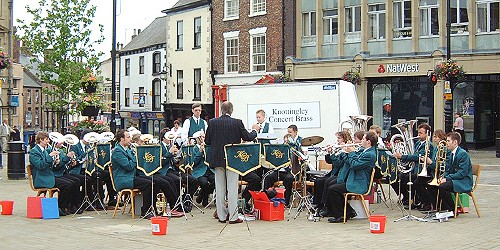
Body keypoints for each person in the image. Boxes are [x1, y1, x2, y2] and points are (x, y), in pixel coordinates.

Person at [205, 101, 259, 224]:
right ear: (231, 110)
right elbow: (248, 137)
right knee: (232, 188)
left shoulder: (212, 122)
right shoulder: (237, 122)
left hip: (217, 159)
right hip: (232, 160)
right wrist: (254, 130)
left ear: (221, 110)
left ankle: (222, 216)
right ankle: (233, 217)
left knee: (219, 188)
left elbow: (208, 141)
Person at [325, 131, 377, 223]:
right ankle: (348, 212)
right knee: (332, 186)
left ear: (368, 142)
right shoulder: (365, 151)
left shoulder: (370, 154)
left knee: (333, 189)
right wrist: (347, 151)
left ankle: (341, 215)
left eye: (363, 139)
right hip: (354, 179)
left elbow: (354, 165)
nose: (361, 141)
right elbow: (354, 160)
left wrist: (351, 152)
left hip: (359, 183)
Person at [29, 131, 77, 216]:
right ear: (40, 140)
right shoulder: (34, 151)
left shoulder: (45, 150)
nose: (48, 141)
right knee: (67, 184)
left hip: (49, 175)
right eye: (46, 139)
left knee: (72, 183)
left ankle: (64, 206)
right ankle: (59, 207)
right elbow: (40, 166)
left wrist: (56, 161)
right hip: (42, 178)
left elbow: (51, 166)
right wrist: (50, 156)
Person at [112, 129, 157, 218]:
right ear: (122, 139)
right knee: (148, 184)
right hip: (124, 179)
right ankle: (145, 211)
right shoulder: (117, 151)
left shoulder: (127, 149)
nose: (130, 140)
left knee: (154, 181)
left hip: (131, 176)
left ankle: (153, 208)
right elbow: (129, 166)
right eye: (128, 137)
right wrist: (136, 156)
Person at [393, 123, 434, 208]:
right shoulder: (418, 143)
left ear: (427, 134)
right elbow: (411, 153)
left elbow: (418, 156)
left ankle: (422, 201)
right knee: (397, 177)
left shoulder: (429, 145)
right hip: (414, 169)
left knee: (410, 179)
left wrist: (402, 156)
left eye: (421, 133)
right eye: (418, 132)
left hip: (422, 170)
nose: (418, 135)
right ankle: (407, 197)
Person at [263, 124, 301, 207]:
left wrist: (290, 144)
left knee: (289, 179)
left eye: (290, 132)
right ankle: (267, 199)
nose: (289, 134)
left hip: (291, 170)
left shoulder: (300, 141)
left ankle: (286, 202)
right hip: (281, 169)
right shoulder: (285, 141)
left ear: (295, 132)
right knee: (269, 178)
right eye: (288, 132)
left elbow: (299, 150)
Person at [313, 131, 351, 212]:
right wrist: (329, 153)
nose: (337, 140)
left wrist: (341, 151)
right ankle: (318, 204)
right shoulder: (338, 148)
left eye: (339, 138)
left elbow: (339, 164)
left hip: (340, 173)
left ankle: (326, 205)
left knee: (327, 182)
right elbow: (330, 162)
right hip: (334, 172)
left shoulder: (346, 150)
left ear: (345, 139)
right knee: (318, 181)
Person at [437, 132, 473, 213]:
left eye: (449, 141)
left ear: (455, 142)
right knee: (435, 184)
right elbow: (448, 169)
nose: (447, 143)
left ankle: (452, 209)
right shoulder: (451, 154)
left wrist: (447, 179)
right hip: (456, 179)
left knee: (443, 187)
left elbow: (462, 173)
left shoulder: (463, 154)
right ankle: (440, 208)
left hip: (464, 181)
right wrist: (443, 177)